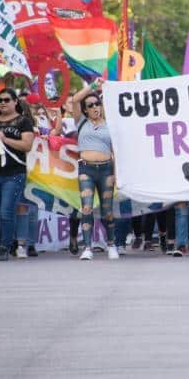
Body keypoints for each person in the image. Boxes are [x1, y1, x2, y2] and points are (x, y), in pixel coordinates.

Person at [0, 88, 34, 261]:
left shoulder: (23, 122)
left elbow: (27, 146)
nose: (2, 103)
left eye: (6, 100)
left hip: (14, 173)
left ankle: (4, 246)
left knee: (6, 212)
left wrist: (5, 139)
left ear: (15, 102)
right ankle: (3, 239)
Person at [70, 80, 118, 260]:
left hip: (106, 170)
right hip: (86, 170)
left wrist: (117, 176)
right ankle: (88, 247)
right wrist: (93, 86)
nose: (95, 107)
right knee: (87, 208)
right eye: (90, 105)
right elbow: (75, 99)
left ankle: (111, 244)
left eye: (97, 103)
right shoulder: (81, 122)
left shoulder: (110, 124)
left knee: (107, 211)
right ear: (85, 110)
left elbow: (115, 152)